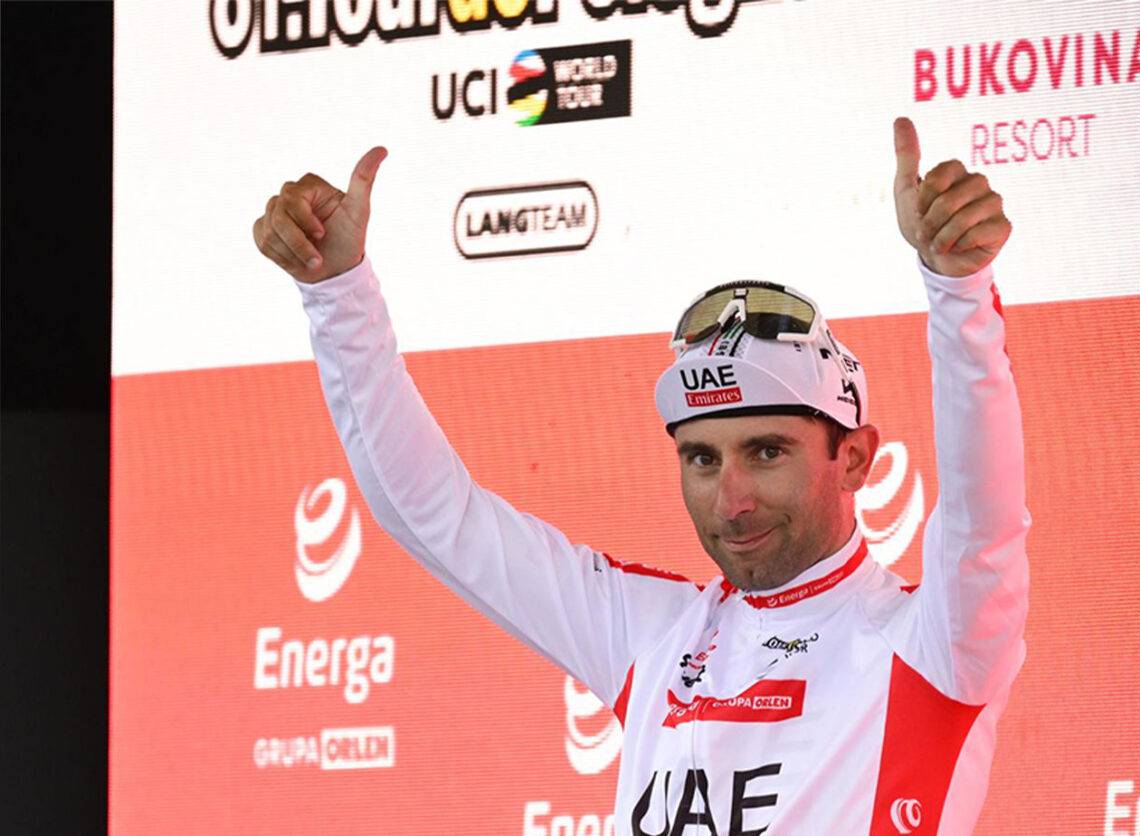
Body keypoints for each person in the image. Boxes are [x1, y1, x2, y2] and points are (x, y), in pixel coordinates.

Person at [253, 117, 1030, 835]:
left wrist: (958, 294)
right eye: (702, 459)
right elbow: (436, 517)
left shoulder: (935, 644)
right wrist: (338, 291)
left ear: (853, 458)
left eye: (766, 452)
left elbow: (982, 518)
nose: (731, 500)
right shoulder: (656, 633)